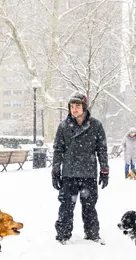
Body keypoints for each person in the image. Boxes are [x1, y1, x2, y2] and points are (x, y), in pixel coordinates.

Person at [51, 92, 109, 245]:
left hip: (88, 174)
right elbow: (58, 150)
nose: (74, 109)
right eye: (72, 106)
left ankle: (92, 234)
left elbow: (102, 149)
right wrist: (55, 171)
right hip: (69, 174)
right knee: (66, 206)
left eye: (77, 106)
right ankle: (63, 235)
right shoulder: (63, 126)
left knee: (89, 206)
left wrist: (104, 170)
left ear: (84, 107)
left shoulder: (96, 126)